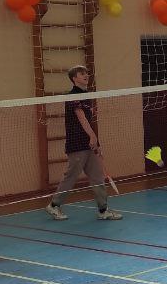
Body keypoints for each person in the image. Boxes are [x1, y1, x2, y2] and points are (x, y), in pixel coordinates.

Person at [45, 66, 122, 222]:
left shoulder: (88, 95)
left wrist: (96, 143)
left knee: (97, 177)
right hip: (77, 143)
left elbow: (90, 121)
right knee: (71, 176)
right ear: (74, 78)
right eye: (82, 74)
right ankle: (54, 205)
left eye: (87, 73)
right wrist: (92, 137)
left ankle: (103, 210)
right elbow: (81, 117)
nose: (86, 75)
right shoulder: (72, 95)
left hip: (89, 143)